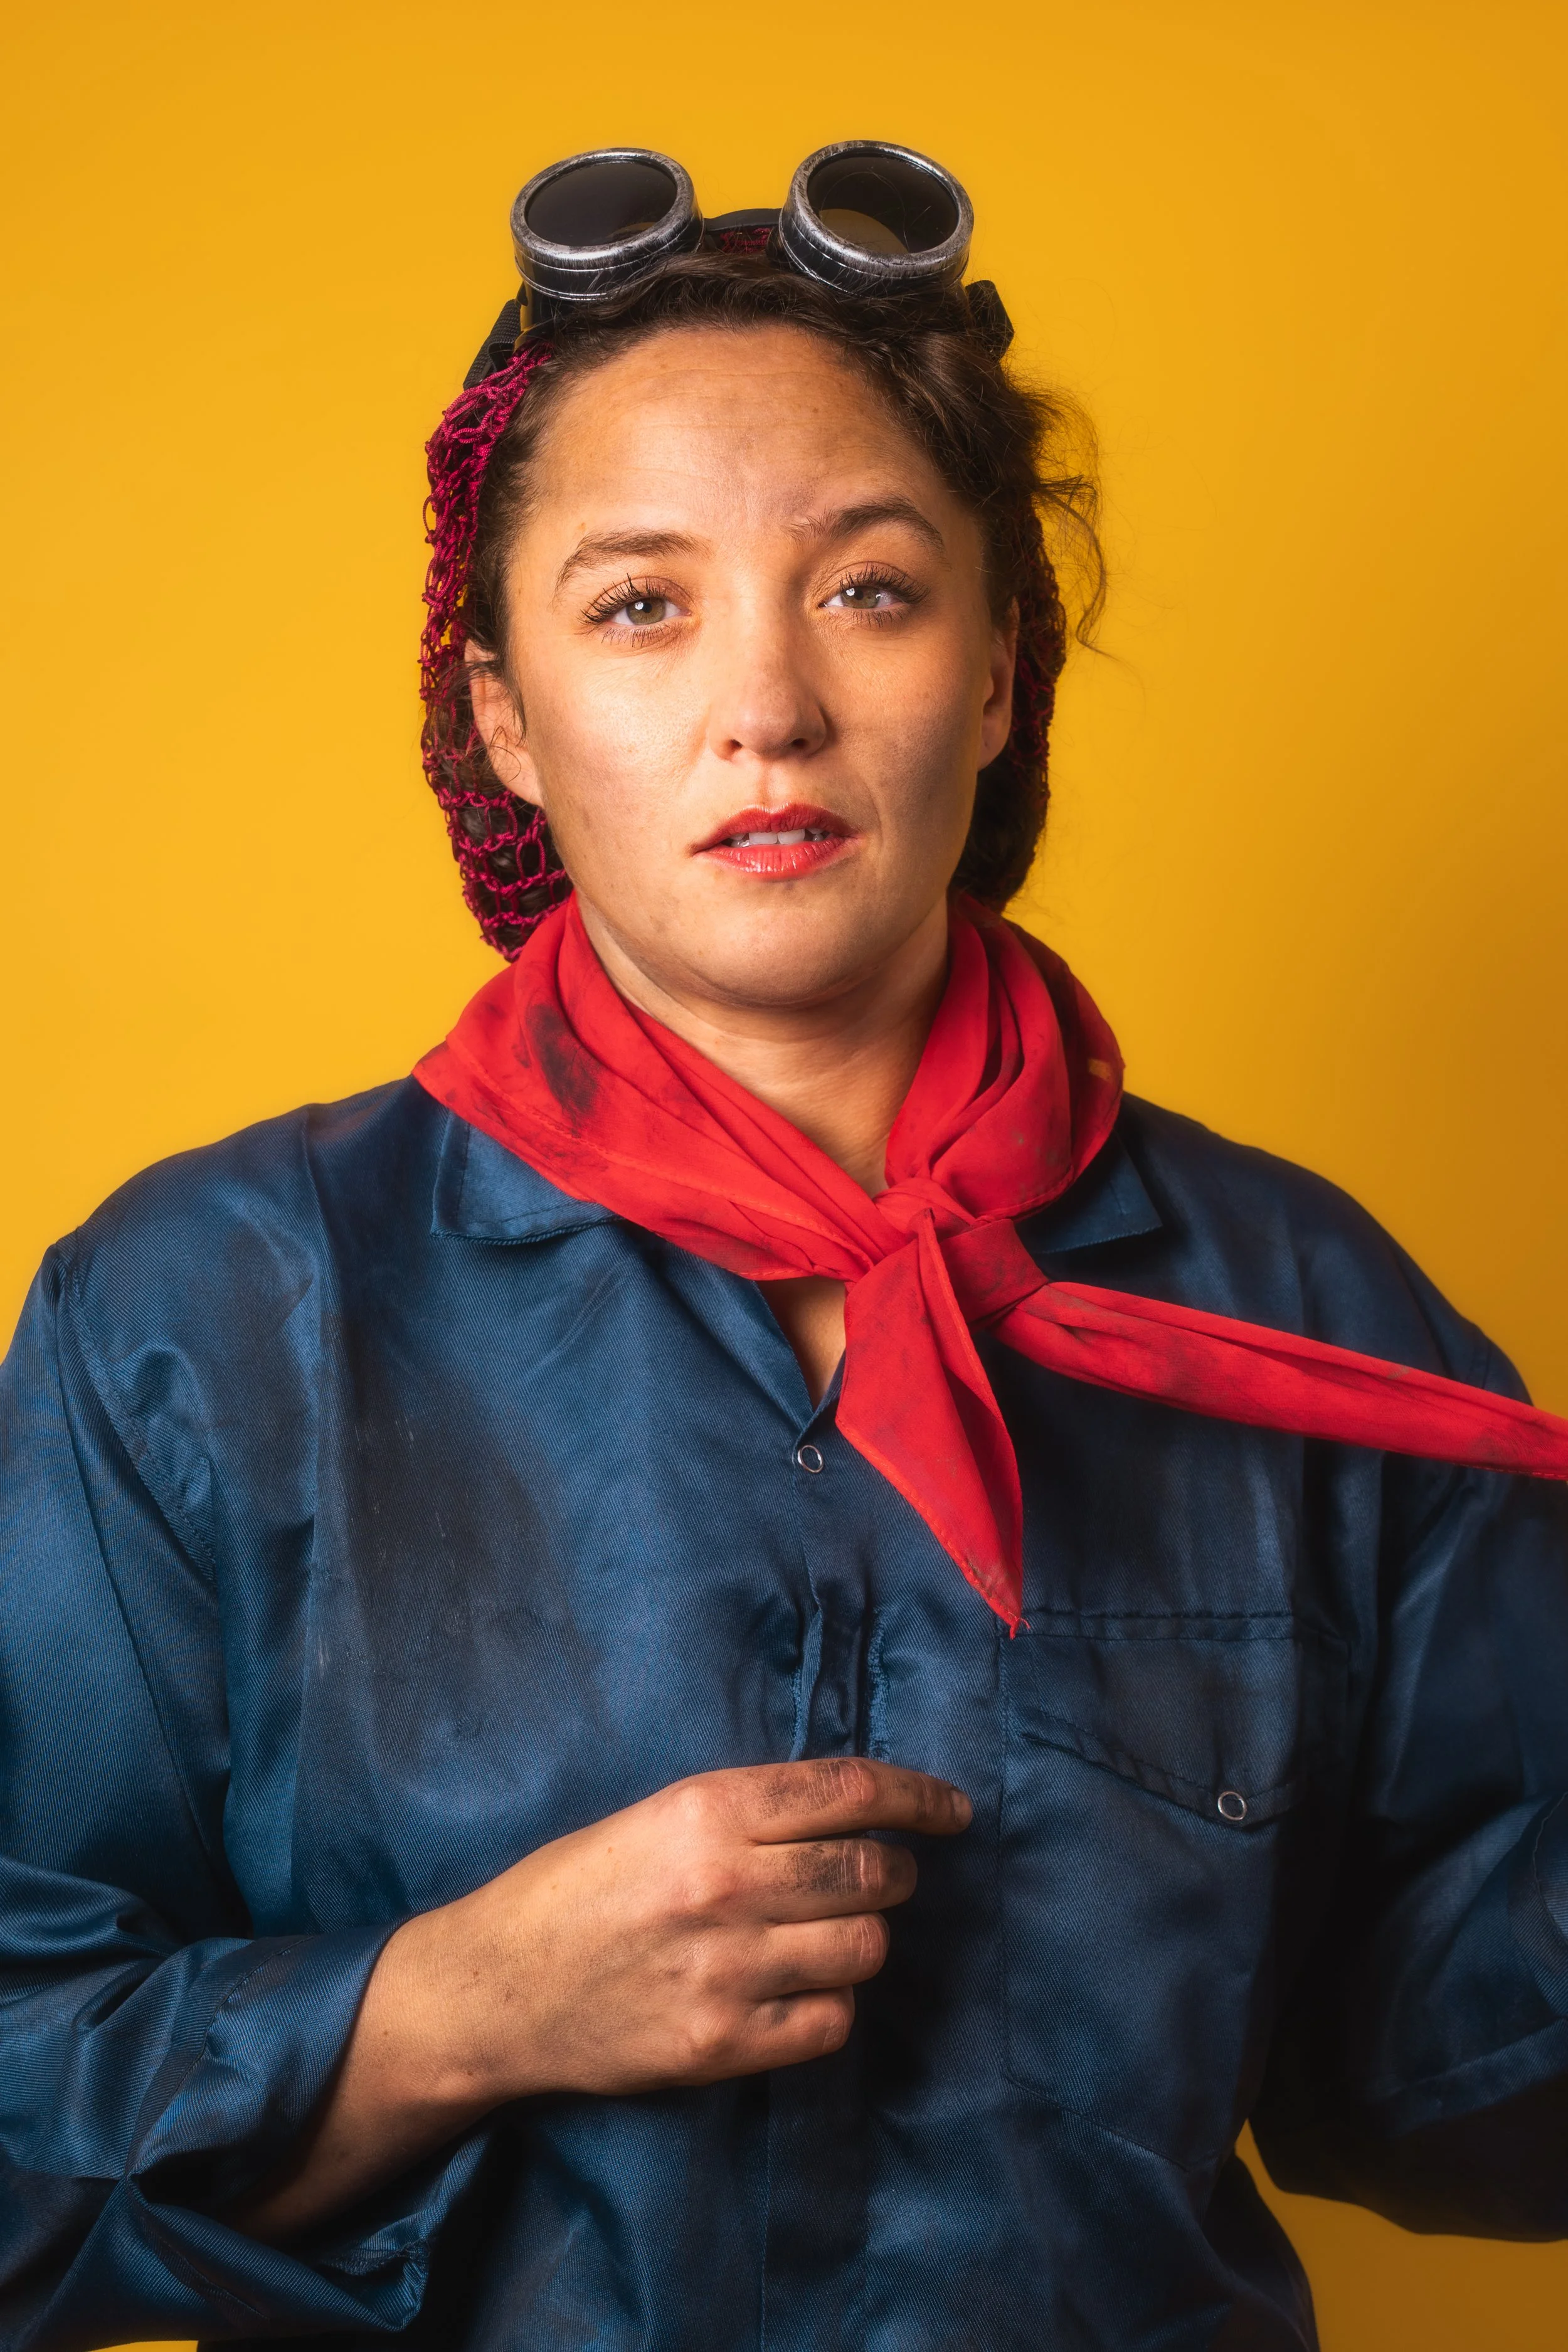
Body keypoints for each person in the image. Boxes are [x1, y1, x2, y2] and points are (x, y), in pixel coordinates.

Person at [3, 142, 1567, 2352]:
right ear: (506, 722)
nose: (770, 709)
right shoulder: (206, 1314)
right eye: (640, 603)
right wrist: (452, 2004)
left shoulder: (1300, 1310)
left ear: (1002, 674)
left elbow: (1444, 2081)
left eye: (869, 589)